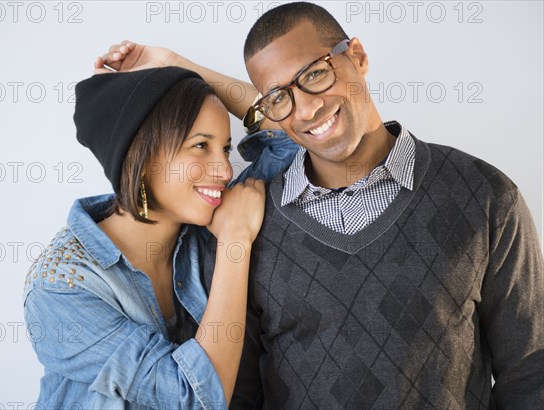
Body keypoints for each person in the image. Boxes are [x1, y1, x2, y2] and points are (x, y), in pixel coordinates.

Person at [98, 2, 544, 408]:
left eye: (315, 74)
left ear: (359, 57)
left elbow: (529, 373)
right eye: (279, 97)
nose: (307, 109)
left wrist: (179, 64)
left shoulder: (484, 194)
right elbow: (239, 395)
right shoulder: (246, 225)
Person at [23, 67, 268, 409]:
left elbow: (297, 135)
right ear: (141, 154)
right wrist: (235, 244)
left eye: (225, 149)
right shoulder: (60, 286)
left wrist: (181, 70)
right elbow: (192, 400)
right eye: (201, 146)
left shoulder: (205, 226)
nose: (226, 171)